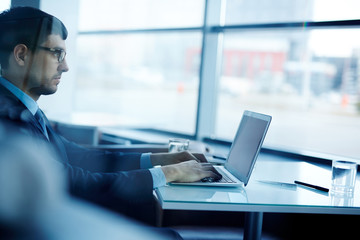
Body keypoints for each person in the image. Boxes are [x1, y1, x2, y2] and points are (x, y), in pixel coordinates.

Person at [0, 6, 221, 226]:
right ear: (21, 55)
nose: (65, 67)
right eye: (57, 54)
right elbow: (70, 181)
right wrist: (168, 173)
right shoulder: (8, 117)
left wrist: (159, 159)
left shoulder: (25, 108)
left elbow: (80, 157)